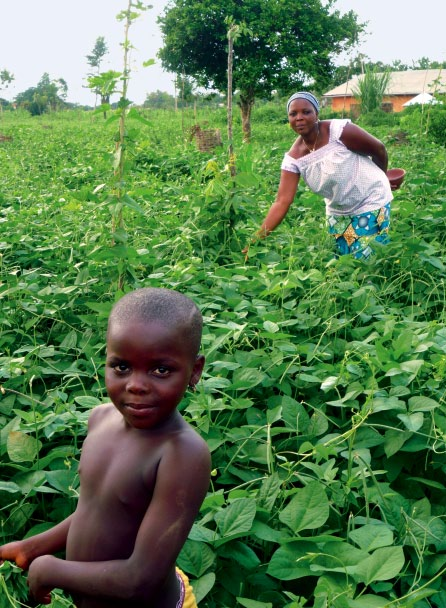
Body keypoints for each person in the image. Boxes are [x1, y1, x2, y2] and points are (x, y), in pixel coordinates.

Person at [0, 287, 211, 608]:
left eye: (161, 370)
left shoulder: (183, 454)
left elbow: (141, 579)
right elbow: (98, 510)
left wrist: (51, 569)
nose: (136, 385)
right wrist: (33, 548)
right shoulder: (100, 419)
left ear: (195, 370)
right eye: (122, 367)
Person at [245, 91, 403, 259]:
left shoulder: (339, 132)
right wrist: (256, 239)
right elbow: (282, 201)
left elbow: (378, 149)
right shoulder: (294, 159)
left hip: (371, 198)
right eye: (293, 114)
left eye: (306, 112)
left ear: (317, 114)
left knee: (367, 262)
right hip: (339, 210)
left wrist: (383, 176)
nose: (299, 117)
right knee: (342, 262)